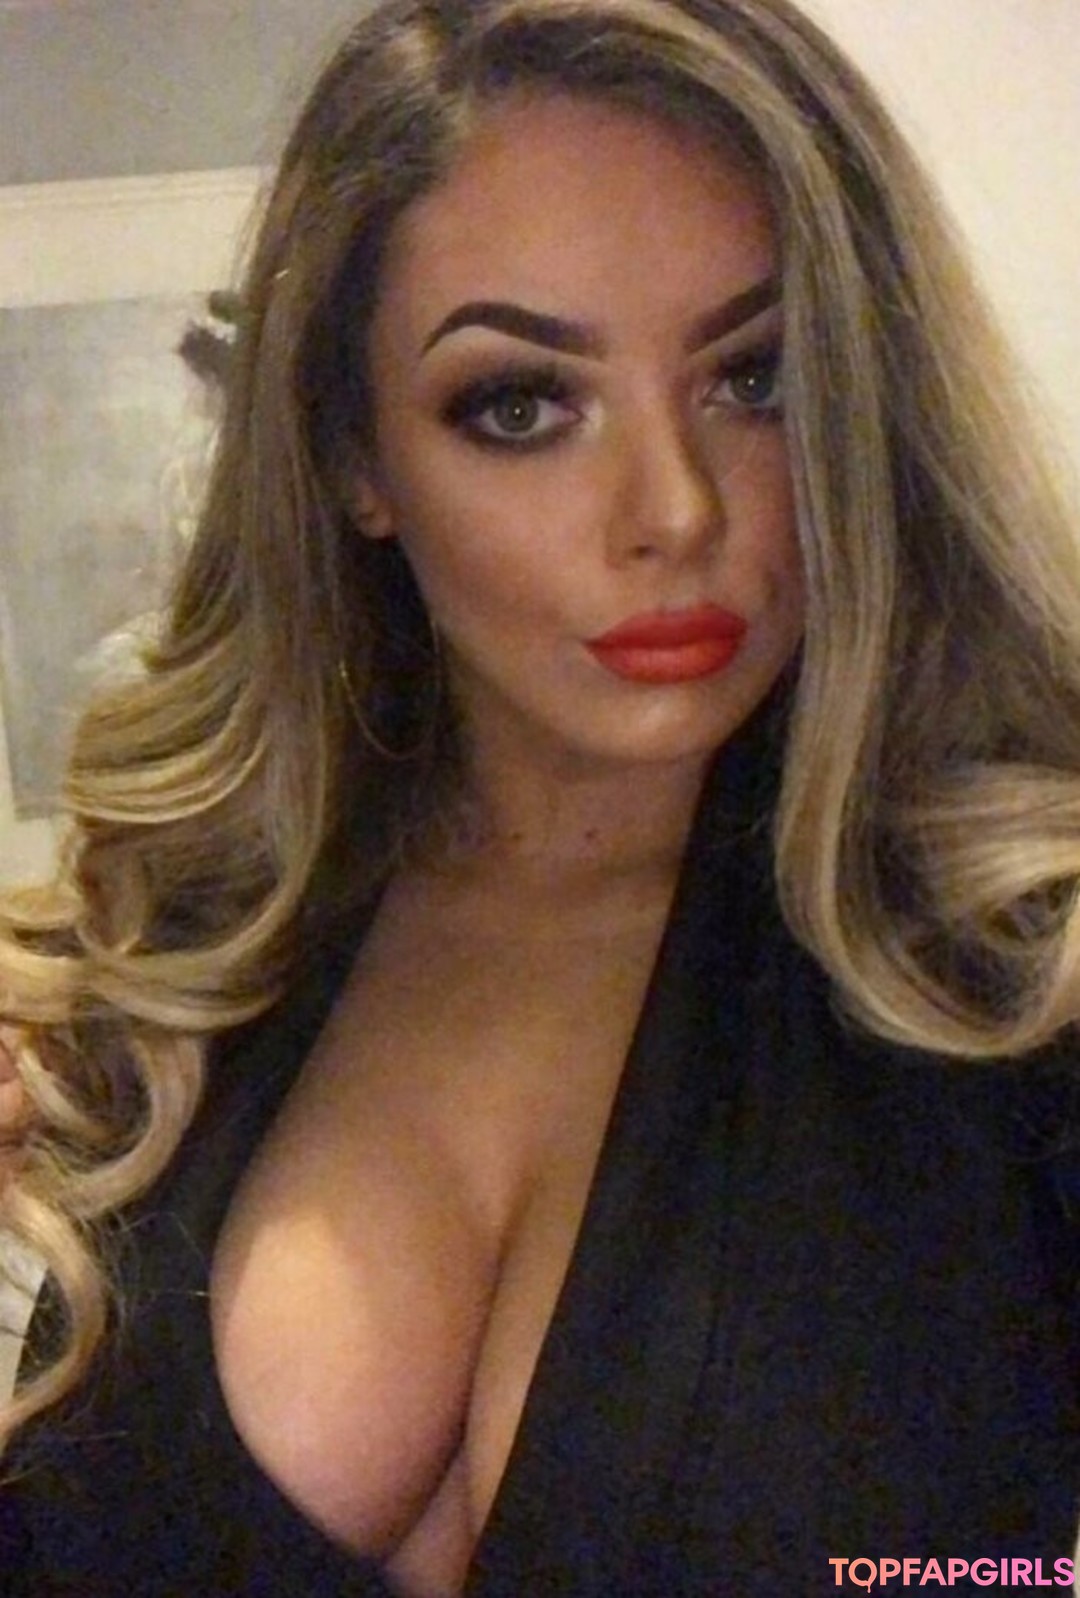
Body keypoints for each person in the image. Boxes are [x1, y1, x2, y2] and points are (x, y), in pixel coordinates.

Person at [1, 0, 1078, 1592]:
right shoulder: (182, 959)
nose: (675, 509)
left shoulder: (1024, 960)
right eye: (520, 404)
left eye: (757, 377)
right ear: (356, 457)